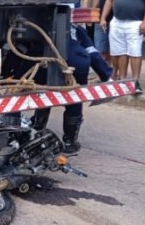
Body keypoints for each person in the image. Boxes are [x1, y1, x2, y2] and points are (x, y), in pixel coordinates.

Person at [31, 23, 111, 155]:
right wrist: (106, 75)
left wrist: (8, 74)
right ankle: (69, 141)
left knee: (43, 92)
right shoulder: (75, 28)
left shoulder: (35, 26)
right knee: (74, 98)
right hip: (77, 62)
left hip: (43, 61)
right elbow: (93, 52)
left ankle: (38, 128)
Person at [100, 0, 145, 94]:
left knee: (135, 52)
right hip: (117, 21)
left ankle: (135, 82)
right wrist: (103, 17)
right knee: (118, 52)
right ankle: (122, 80)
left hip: (135, 22)